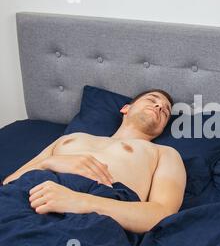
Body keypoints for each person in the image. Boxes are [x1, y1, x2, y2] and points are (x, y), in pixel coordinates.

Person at [2, 89, 186, 233]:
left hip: (90, 218)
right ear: (126, 108)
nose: (160, 107)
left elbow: (162, 213)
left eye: (166, 112)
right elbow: (9, 182)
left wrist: (80, 202)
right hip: (27, 196)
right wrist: (48, 163)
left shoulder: (164, 153)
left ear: (162, 129)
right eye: (152, 100)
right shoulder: (70, 138)